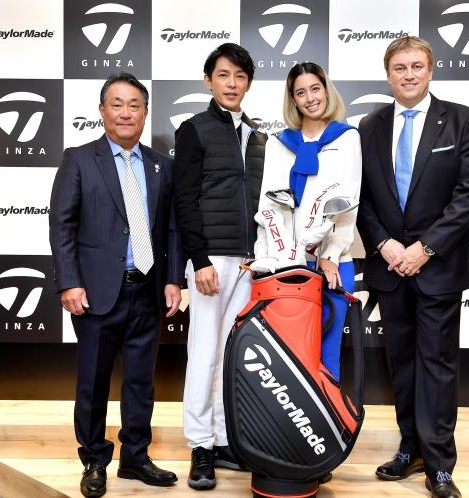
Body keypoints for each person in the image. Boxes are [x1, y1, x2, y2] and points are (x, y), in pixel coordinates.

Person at [356, 36, 469, 498]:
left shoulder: (462, 119)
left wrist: (424, 248)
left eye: (416, 66)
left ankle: (439, 465)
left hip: (438, 268)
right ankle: (409, 448)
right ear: (388, 74)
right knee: (403, 364)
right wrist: (385, 244)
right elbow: (360, 197)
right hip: (390, 267)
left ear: (430, 70)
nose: (408, 75)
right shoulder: (368, 126)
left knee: (437, 366)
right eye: (399, 67)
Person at [49, 72, 183, 498]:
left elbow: (172, 228)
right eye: (117, 104)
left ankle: (135, 458)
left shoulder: (162, 165)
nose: (126, 113)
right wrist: (69, 282)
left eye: (134, 105)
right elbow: (62, 225)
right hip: (96, 293)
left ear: (145, 112)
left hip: (147, 290)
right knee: (93, 383)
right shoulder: (79, 159)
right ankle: (94, 460)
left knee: (141, 382)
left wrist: (174, 280)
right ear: (102, 110)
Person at [173, 43, 266, 491]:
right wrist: (199, 260)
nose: (232, 84)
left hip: (249, 262)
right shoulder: (194, 129)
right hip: (210, 261)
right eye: (224, 75)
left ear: (248, 83)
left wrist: (260, 256)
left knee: (233, 355)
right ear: (208, 80)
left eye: (240, 76)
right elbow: (184, 200)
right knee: (204, 353)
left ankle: (227, 441)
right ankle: (200, 446)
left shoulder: (258, 135)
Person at [254, 62, 361, 381]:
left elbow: (348, 202)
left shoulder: (347, 138)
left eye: (315, 88)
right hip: (287, 264)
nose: (310, 98)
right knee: (288, 354)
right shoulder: (278, 143)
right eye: (301, 92)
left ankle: (326, 414)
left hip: (333, 264)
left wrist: (329, 255)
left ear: (327, 90)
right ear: (293, 99)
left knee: (328, 354)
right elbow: (269, 205)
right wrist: (277, 256)